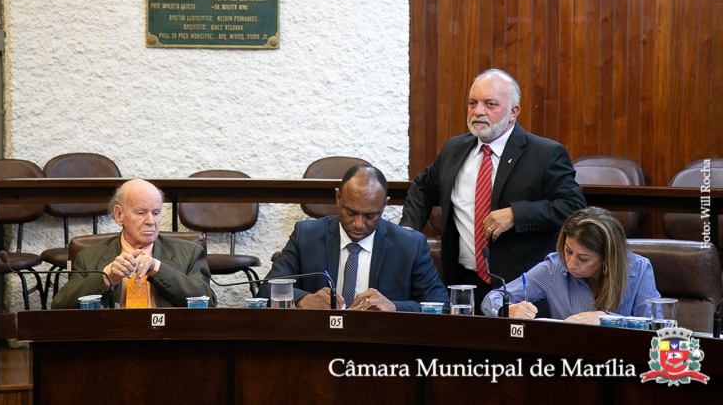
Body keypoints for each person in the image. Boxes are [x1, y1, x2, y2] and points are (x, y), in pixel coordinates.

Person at [400, 69, 586, 306]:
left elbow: (573, 207)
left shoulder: (545, 154)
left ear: (513, 112)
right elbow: (423, 187)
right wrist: (408, 229)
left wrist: (516, 215)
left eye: (490, 104)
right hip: (464, 283)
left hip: (523, 288)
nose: (478, 111)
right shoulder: (453, 149)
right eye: (472, 103)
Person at [258, 165, 449, 312]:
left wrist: (394, 307)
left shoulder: (410, 245)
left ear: (384, 205)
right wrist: (304, 300)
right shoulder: (306, 235)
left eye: (370, 215)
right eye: (351, 212)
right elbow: (267, 290)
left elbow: (442, 305)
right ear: (338, 198)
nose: (358, 224)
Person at [52, 179, 216, 309]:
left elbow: (208, 302)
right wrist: (107, 278)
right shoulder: (88, 256)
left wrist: (158, 269)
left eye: (156, 213)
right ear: (119, 215)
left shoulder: (190, 252)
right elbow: (61, 305)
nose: (151, 221)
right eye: (141, 213)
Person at [481, 207, 660, 323]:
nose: (570, 263)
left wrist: (608, 319)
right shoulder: (554, 268)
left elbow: (656, 326)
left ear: (607, 257)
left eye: (583, 258)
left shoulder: (639, 269)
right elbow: (491, 299)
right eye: (568, 250)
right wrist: (506, 310)